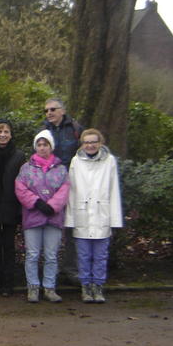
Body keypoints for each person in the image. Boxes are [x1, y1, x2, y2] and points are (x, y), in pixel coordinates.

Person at [66, 129, 123, 303]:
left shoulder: (109, 161)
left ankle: (98, 286)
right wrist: (70, 218)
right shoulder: (76, 161)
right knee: (83, 255)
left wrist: (114, 219)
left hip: (101, 214)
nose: (90, 145)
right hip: (82, 214)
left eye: (93, 142)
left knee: (100, 255)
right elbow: (71, 191)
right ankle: (85, 286)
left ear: (100, 143)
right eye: (87, 142)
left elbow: (114, 190)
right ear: (82, 144)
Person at [15, 130, 70, 303]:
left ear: (51, 146)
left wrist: (52, 206)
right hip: (33, 217)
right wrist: (37, 202)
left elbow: (65, 189)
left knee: (51, 255)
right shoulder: (26, 168)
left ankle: (49, 287)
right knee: (32, 254)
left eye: (45, 144)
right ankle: (32, 287)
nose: (42, 148)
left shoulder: (61, 169)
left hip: (53, 218)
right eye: (39, 144)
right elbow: (20, 189)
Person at [42, 98, 84, 284]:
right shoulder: (43, 131)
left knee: (71, 228)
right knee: (51, 229)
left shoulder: (75, 129)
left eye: (52, 109)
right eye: (46, 110)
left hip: (73, 185)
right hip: (50, 188)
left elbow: (85, 152)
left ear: (62, 111)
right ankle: (53, 269)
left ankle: (71, 269)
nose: (49, 113)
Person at [0, 119, 25, 297]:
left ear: (11, 135)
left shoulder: (18, 155)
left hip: (11, 204)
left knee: (9, 245)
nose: (2, 135)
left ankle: (8, 282)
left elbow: (22, 182)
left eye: (6, 132)